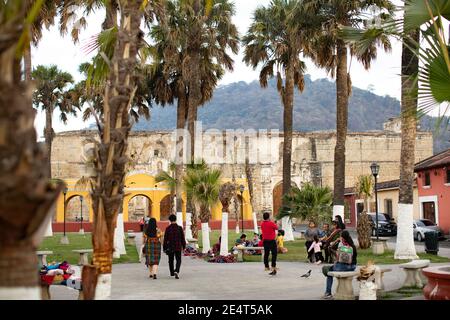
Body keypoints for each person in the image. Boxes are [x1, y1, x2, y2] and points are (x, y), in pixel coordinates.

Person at [322, 230, 357, 299]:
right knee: (332, 268)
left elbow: (338, 258)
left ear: (343, 237)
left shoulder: (342, 245)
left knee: (328, 271)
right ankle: (328, 293)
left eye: (341, 237)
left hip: (344, 266)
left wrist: (332, 250)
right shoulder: (352, 245)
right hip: (353, 266)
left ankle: (328, 293)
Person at [163, 214, 186, 279]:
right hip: (178, 246)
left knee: (171, 260)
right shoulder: (180, 228)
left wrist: (164, 248)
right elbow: (182, 238)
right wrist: (184, 246)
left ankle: (172, 272)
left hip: (170, 247)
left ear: (170, 220)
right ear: (176, 219)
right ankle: (177, 270)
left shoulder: (168, 228)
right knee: (178, 260)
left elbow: (165, 239)